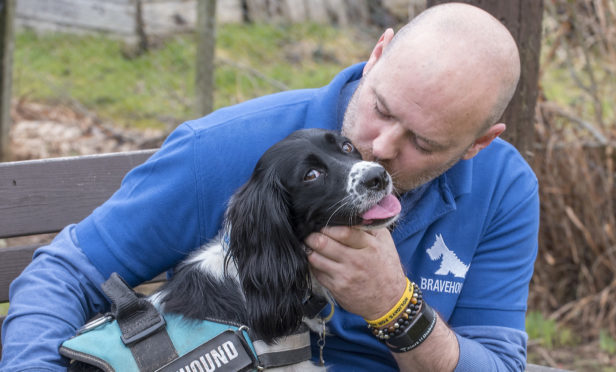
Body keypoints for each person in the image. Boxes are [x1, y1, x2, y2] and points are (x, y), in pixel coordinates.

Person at [0, 3, 538, 371]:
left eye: (422, 140)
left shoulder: (504, 189)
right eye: (381, 109)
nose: (380, 148)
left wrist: (395, 307)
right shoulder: (223, 149)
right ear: (378, 54)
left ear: (477, 144)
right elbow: (66, 272)